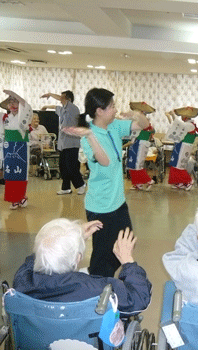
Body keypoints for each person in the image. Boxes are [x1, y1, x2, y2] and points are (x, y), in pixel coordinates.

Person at [63, 88, 150, 277]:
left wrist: (136, 113)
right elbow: (105, 161)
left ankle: (93, 275)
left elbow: (143, 125)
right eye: (112, 106)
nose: (115, 109)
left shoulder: (115, 126)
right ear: (99, 111)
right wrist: (91, 136)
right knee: (103, 254)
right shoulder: (87, 136)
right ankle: (95, 283)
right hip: (101, 206)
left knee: (125, 242)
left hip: (118, 201)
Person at [13, 219, 152, 315]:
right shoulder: (94, 289)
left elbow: (34, 259)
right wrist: (128, 262)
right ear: (78, 259)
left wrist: (73, 238)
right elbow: (138, 298)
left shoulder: (22, 279)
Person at [41, 90, 86, 195]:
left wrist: (50, 94)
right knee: (63, 166)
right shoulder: (63, 110)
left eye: (63, 98)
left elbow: (60, 100)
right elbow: (55, 107)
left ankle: (81, 184)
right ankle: (66, 188)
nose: (61, 100)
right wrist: (45, 106)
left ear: (68, 99)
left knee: (71, 166)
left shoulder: (73, 108)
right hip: (63, 144)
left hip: (72, 143)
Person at [1, 90, 33, 209]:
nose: (13, 106)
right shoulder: (4, 117)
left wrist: (15, 95)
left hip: (21, 148)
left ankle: (21, 196)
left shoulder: (24, 117)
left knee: (21, 174)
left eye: (15, 102)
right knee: (10, 174)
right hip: (8, 149)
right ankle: (13, 199)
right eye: (10, 103)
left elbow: (27, 106)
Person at [165, 107, 198, 191]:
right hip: (180, 145)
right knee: (175, 164)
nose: (181, 117)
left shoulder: (190, 124)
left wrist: (173, 115)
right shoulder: (187, 124)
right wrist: (170, 117)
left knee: (179, 165)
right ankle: (179, 182)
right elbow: (176, 125)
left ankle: (188, 181)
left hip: (184, 147)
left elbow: (180, 125)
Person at [124, 102, 156, 191]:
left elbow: (151, 132)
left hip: (140, 143)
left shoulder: (144, 122)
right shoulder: (142, 122)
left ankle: (148, 181)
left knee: (137, 165)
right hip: (137, 143)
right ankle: (137, 183)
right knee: (132, 164)